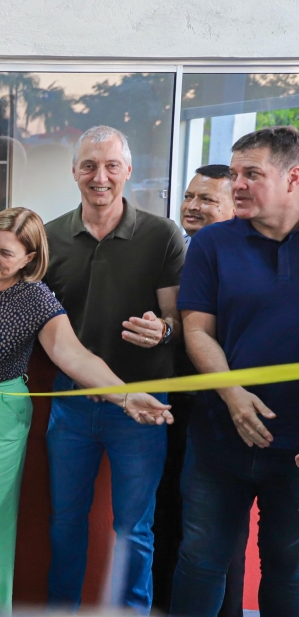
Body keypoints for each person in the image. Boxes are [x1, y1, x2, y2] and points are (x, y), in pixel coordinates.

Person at [0, 207, 172, 617]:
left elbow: (73, 355)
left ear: (30, 258)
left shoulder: (35, 297)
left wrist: (124, 396)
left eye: (6, 253)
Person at [41, 126, 186, 612]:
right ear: (74, 172)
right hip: (73, 402)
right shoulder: (49, 238)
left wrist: (162, 331)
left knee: (134, 529)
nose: (99, 177)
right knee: (65, 523)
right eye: (89, 166)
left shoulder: (162, 234)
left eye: (111, 166)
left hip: (143, 405)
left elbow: (180, 321)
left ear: (128, 171)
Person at [171, 126, 299, 615]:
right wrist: (233, 395)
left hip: (294, 450)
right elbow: (197, 330)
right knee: (201, 562)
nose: (237, 184)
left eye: (252, 174)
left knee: (288, 571)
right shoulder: (212, 244)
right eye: (235, 173)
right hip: (219, 439)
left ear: (293, 177)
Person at [151, 163, 243, 616]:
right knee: (167, 515)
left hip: (223, 409)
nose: (193, 206)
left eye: (207, 199)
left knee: (220, 533)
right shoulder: (176, 251)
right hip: (170, 405)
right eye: (189, 196)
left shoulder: (242, 261)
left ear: (234, 208)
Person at [180, 164, 235, 248]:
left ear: (236, 210)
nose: (191, 206)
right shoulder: (171, 249)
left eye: (206, 199)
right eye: (188, 197)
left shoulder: (248, 253)